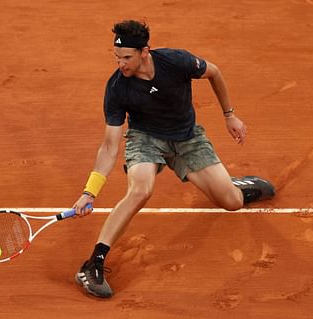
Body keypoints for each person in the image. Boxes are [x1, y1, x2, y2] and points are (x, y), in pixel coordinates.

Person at [72, 20, 275, 298]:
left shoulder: (176, 61)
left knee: (232, 203)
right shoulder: (118, 87)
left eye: (127, 58)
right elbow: (109, 147)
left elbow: (214, 72)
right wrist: (89, 191)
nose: (121, 64)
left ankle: (232, 186)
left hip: (187, 138)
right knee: (140, 190)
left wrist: (229, 115)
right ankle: (93, 263)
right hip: (146, 139)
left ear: (145, 51)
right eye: (117, 58)